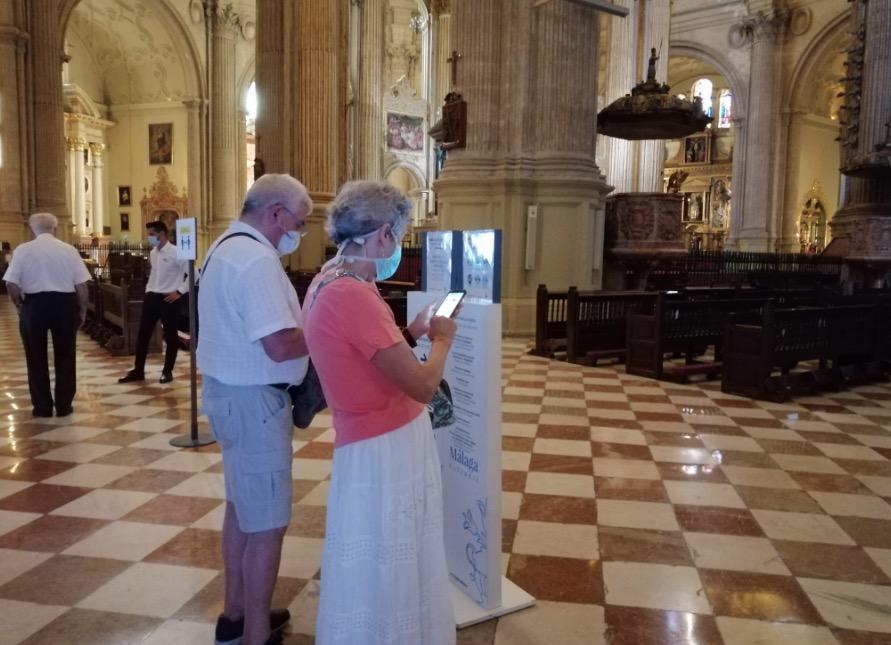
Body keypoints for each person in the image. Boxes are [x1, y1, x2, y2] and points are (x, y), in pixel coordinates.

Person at [303, 181, 457, 645]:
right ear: (384, 233)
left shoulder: (327, 279)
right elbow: (423, 385)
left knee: (377, 554)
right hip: (385, 443)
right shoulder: (352, 293)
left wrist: (412, 334)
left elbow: (368, 357)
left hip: (368, 439)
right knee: (391, 553)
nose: (398, 246)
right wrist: (443, 340)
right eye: (401, 235)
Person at [198, 174, 312, 645]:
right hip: (254, 402)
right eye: (299, 223)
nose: (299, 232)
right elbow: (280, 344)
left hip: (228, 395)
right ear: (276, 213)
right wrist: (326, 329)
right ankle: (256, 635)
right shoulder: (256, 260)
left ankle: (237, 613)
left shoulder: (223, 247)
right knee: (267, 523)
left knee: (242, 510)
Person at [3, 212, 91, 417]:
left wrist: (19, 306)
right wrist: (82, 309)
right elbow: (82, 286)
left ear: (32, 229)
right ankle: (64, 405)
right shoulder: (68, 250)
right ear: (55, 228)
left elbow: (11, 284)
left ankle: (42, 407)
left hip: (34, 305)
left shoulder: (23, 250)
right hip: (64, 305)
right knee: (66, 355)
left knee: (35, 356)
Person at [118, 221, 188, 384]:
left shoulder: (177, 252)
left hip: (169, 299)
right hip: (152, 296)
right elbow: (155, 275)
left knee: (170, 336)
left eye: (151, 234)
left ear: (162, 234)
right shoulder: (153, 253)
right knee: (143, 334)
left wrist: (179, 292)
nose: (149, 238)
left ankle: (167, 371)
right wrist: (149, 291)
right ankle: (138, 370)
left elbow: (194, 275)